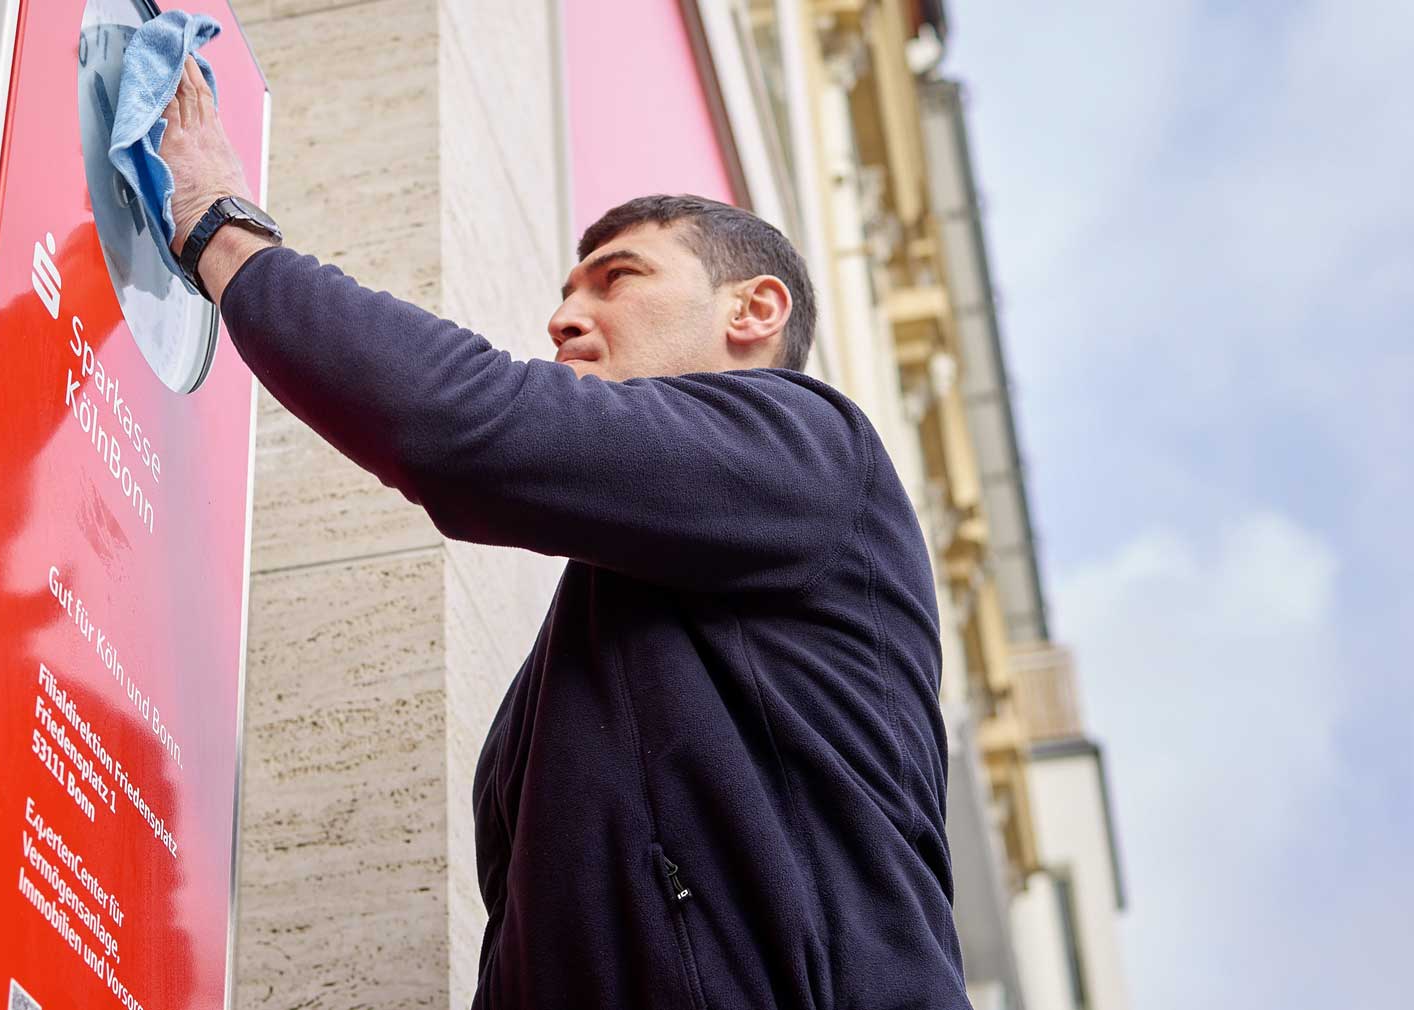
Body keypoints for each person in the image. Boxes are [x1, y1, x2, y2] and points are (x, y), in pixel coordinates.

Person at [159, 59, 968, 1010]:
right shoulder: (608, 630)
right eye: (568, 290)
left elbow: (464, 423)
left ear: (754, 311)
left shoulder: (814, 451)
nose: (564, 317)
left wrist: (220, 228)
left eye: (618, 277)